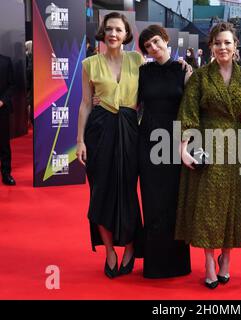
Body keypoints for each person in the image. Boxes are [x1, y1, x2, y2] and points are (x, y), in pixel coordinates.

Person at [175, 22, 241, 289]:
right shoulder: (200, 77)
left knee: (232, 205)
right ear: (211, 46)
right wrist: (183, 148)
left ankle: (227, 260)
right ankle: (209, 262)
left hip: (235, 148)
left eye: (227, 43)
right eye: (218, 43)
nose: (223, 47)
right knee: (207, 206)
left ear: (235, 47)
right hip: (206, 146)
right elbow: (188, 112)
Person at [76, 12, 144, 279]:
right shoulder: (89, 63)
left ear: (126, 34)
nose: (113, 34)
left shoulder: (137, 60)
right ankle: (109, 251)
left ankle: (129, 246)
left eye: (118, 29)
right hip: (99, 130)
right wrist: (80, 140)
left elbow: (155, 85)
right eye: (109, 29)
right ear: (102, 33)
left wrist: (184, 69)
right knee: (100, 192)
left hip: (129, 129)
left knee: (127, 190)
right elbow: (84, 103)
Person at [137, 25, 192, 279]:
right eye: (148, 46)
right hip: (148, 142)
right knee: (152, 201)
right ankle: (155, 264)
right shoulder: (143, 72)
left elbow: (192, 109)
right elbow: (131, 101)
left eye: (157, 42)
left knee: (174, 201)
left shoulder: (183, 70)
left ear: (166, 40)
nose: (154, 48)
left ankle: (177, 264)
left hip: (175, 143)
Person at [0, 54, 16, 186]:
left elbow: (12, 85)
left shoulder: (6, 61)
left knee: (4, 143)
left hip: (2, 109)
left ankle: (6, 173)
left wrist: (2, 101)